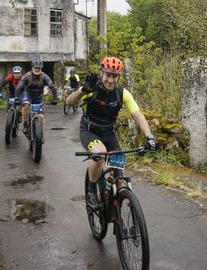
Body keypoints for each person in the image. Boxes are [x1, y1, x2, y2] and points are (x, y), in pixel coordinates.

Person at [66, 56, 159, 210]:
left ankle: (115, 205)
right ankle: (91, 193)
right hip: (90, 131)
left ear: (118, 77)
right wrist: (82, 91)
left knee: (120, 180)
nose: (110, 80)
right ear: (102, 74)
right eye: (107, 75)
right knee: (100, 154)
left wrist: (150, 137)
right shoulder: (92, 88)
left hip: (109, 133)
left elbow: (138, 116)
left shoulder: (122, 93)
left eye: (114, 76)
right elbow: (69, 102)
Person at [15, 57, 58, 134]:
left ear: (41, 68)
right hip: (28, 95)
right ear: (32, 67)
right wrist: (17, 98)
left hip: (39, 97)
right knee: (25, 107)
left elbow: (52, 86)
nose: (37, 69)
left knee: (41, 116)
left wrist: (55, 98)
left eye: (39, 68)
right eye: (36, 68)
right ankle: (25, 124)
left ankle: (40, 133)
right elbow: (19, 87)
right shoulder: (27, 76)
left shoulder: (44, 76)